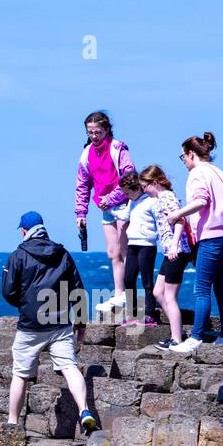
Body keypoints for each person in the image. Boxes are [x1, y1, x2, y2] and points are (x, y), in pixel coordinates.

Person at [1, 211, 100, 436]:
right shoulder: (62, 253)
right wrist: (81, 322)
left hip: (31, 324)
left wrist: (25, 304)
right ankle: (84, 410)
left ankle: (12, 423)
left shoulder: (18, 255)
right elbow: (78, 289)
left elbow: (7, 291)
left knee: (20, 373)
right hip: (60, 321)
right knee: (69, 367)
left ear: (24, 231)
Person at [166, 132, 223, 353]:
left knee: (202, 288)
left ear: (191, 154)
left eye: (183, 157)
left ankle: (196, 337)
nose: (184, 162)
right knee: (222, 288)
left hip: (210, 236)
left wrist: (176, 214)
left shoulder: (197, 174)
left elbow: (201, 200)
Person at [73, 111, 136, 315]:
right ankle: (119, 294)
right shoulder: (86, 154)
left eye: (97, 132)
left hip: (124, 204)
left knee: (126, 251)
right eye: (90, 132)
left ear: (106, 129)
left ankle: (129, 294)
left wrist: (112, 198)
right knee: (113, 252)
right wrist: (81, 213)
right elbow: (82, 184)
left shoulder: (118, 149)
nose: (94, 136)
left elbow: (129, 177)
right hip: (105, 208)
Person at [138, 163, 192, 349]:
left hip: (177, 251)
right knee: (157, 292)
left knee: (169, 296)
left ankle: (176, 339)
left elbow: (180, 221)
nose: (144, 191)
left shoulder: (167, 197)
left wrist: (175, 245)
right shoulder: (159, 199)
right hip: (169, 252)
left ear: (154, 183)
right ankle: (177, 330)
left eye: (145, 187)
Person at [118, 171, 160, 326]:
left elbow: (160, 219)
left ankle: (150, 314)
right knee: (128, 279)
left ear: (137, 188)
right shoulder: (132, 202)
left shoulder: (151, 201)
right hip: (133, 244)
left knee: (147, 280)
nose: (126, 196)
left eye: (128, 192)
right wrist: (107, 208)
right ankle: (132, 313)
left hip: (147, 245)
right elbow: (124, 215)